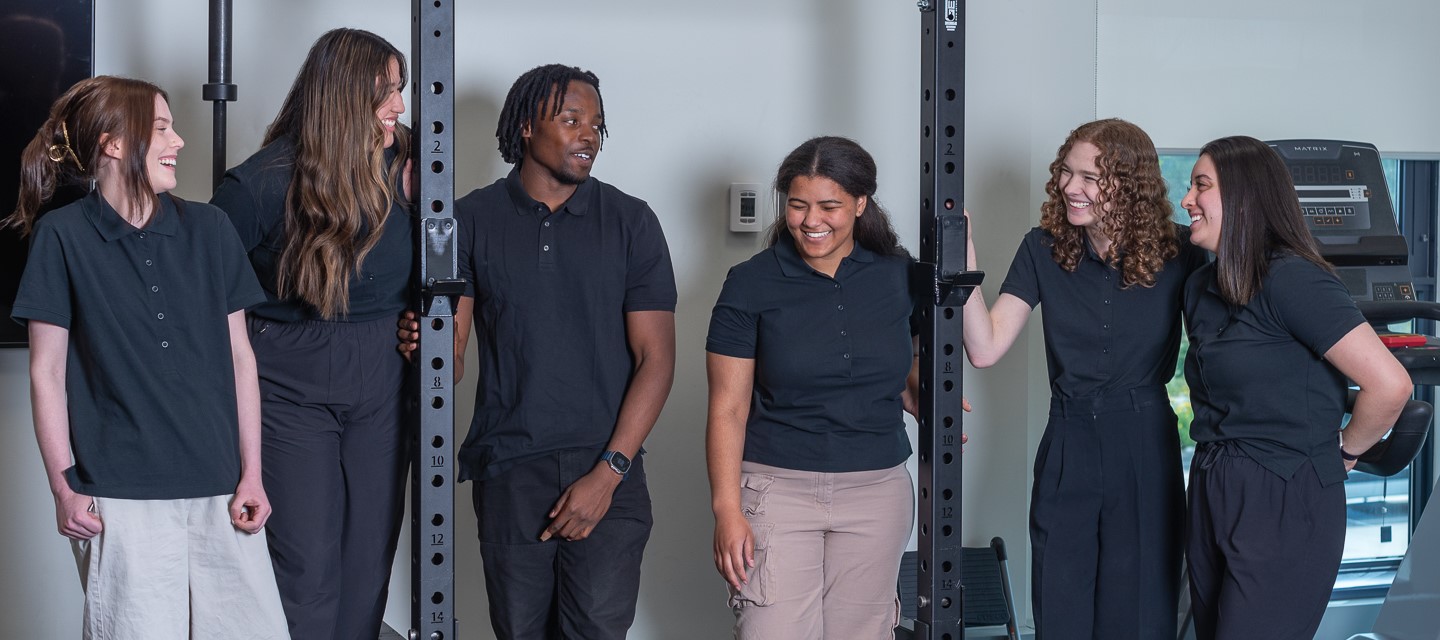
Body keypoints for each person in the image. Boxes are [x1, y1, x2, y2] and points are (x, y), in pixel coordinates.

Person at [6, 75, 288, 639]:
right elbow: (47, 372)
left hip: (221, 486)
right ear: (113, 143)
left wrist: (252, 475)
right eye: (161, 128)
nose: (178, 140)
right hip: (118, 494)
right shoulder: (61, 237)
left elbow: (240, 359)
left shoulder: (210, 228)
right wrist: (63, 488)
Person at [417, 63, 676, 639]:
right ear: (527, 127)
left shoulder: (631, 222)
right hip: (511, 471)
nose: (589, 135)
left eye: (597, 125)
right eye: (571, 119)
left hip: (609, 467)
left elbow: (656, 361)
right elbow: (451, 357)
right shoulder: (467, 220)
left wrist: (608, 474)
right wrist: (423, 348)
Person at [962, 118, 1207, 638]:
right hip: (1068, 437)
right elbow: (984, 348)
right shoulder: (1043, 248)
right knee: (1060, 605)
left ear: (1130, 185)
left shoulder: (1183, 253)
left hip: (1144, 441)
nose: (1071, 188)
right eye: (1067, 173)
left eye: (1090, 178)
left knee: (1139, 614)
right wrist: (963, 262)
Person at [209, 28, 413, 638]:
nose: (399, 106)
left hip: (381, 375)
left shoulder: (409, 169)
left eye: (401, 89)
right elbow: (201, 294)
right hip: (289, 381)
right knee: (307, 571)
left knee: (368, 567)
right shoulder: (260, 184)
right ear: (345, 96)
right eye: (387, 91)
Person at [1179, 136, 1410, 640]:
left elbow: (1390, 385)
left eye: (1201, 186)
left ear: (1243, 197)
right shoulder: (1202, 286)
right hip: (1215, 481)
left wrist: (1345, 454)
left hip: (1285, 491)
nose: (1186, 199)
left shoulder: (1293, 280)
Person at [706, 136, 923, 639]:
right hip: (777, 490)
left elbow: (903, 358)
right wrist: (726, 509)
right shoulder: (750, 282)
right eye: (798, 206)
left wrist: (925, 394)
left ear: (860, 203)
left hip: (877, 491)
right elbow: (728, 409)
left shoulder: (896, 276)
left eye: (830, 206)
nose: (811, 220)